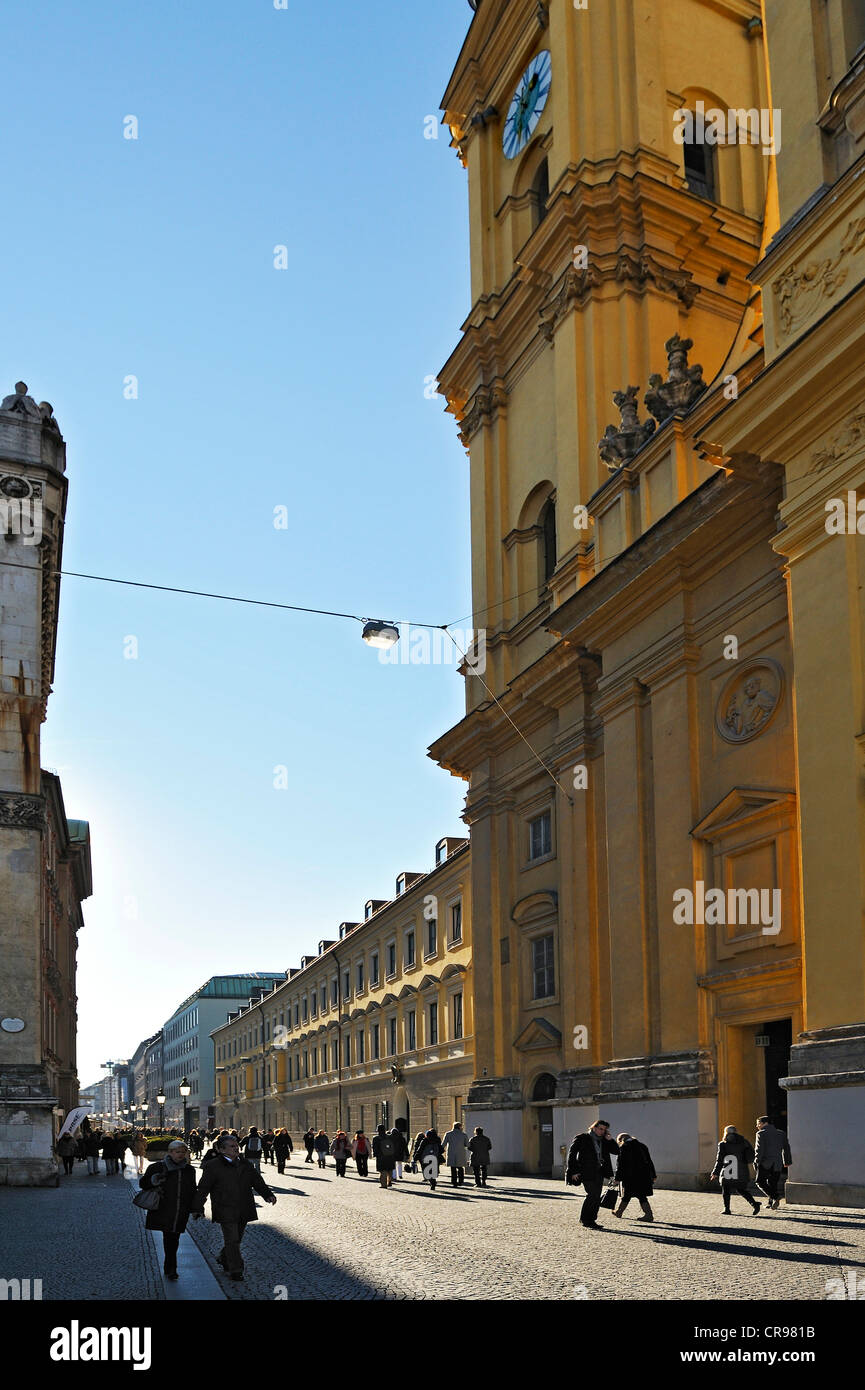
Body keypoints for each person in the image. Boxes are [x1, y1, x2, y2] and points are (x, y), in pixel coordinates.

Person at [193, 1132, 277, 1281]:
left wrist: (268, 1194)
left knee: (236, 1239)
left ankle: (223, 1257)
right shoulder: (213, 1166)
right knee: (231, 1240)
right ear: (222, 1149)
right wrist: (198, 1207)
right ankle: (236, 1269)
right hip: (225, 1207)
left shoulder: (244, 1163)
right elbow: (203, 1188)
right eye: (232, 1147)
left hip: (244, 1206)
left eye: (236, 1146)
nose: (236, 1148)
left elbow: (257, 1180)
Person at [139, 1139, 199, 1281]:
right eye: (178, 1152)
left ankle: (170, 1266)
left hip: (180, 1211)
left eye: (183, 1152)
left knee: (174, 1239)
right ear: (170, 1152)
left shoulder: (189, 1170)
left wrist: (197, 1208)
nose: (181, 1155)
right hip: (164, 1209)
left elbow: (192, 1190)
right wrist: (154, 1180)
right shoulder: (157, 1167)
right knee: (169, 1238)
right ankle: (171, 1268)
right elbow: (143, 1183)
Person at [565, 1119, 619, 1229]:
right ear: (594, 1127)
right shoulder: (582, 1137)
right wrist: (574, 1171)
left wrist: (610, 1140)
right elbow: (572, 1154)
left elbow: (616, 1151)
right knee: (592, 1194)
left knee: (596, 1196)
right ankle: (586, 1219)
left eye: (604, 1130)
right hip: (585, 1171)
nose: (602, 1131)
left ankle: (591, 1219)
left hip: (599, 1172)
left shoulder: (604, 1140)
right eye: (600, 1129)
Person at [711, 1125, 761, 1215]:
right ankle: (754, 1204)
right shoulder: (744, 1142)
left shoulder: (723, 1144)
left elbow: (720, 1160)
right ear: (736, 1132)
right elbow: (751, 1154)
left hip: (728, 1170)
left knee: (726, 1190)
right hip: (741, 1170)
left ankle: (727, 1209)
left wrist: (715, 1172)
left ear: (726, 1133)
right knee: (741, 1189)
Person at [613, 1133, 656, 1221]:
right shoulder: (642, 1146)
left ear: (621, 1140)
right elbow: (649, 1161)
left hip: (630, 1177)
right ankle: (619, 1212)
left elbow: (620, 1165)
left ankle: (648, 1215)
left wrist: (617, 1178)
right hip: (644, 1176)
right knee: (640, 1195)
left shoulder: (624, 1147)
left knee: (628, 1195)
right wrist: (653, 1175)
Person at [754, 1116, 792, 1210]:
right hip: (777, 1163)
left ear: (765, 1123)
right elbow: (786, 1148)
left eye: (758, 1123)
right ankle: (771, 1203)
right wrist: (787, 1161)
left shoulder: (761, 1133)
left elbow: (759, 1150)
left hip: (765, 1162)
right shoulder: (781, 1133)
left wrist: (756, 1161)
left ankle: (776, 1197)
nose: (757, 1126)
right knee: (772, 1183)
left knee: (760, 1182)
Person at [441, 1121, 470, 1187]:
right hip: (461, 1153)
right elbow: (468, 1145)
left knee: (453, 1168)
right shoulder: (464, 1135)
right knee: (460, 1168)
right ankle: (460, 1181)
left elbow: (443, 1144)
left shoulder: (448, 1134)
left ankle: (454, 1182)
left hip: (451, 1153)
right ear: (460, 1127)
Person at [372, 1124, 398, 1189]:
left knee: (383, 1171)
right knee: (389, 1170)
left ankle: (384, 1184)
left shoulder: (376, 1138)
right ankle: (389, 1182)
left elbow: (375, 1148)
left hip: (381, 1157)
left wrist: (375, 1155)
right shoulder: (390, 1137)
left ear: (378, 1130)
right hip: (390, 1156)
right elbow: (394, 1146)